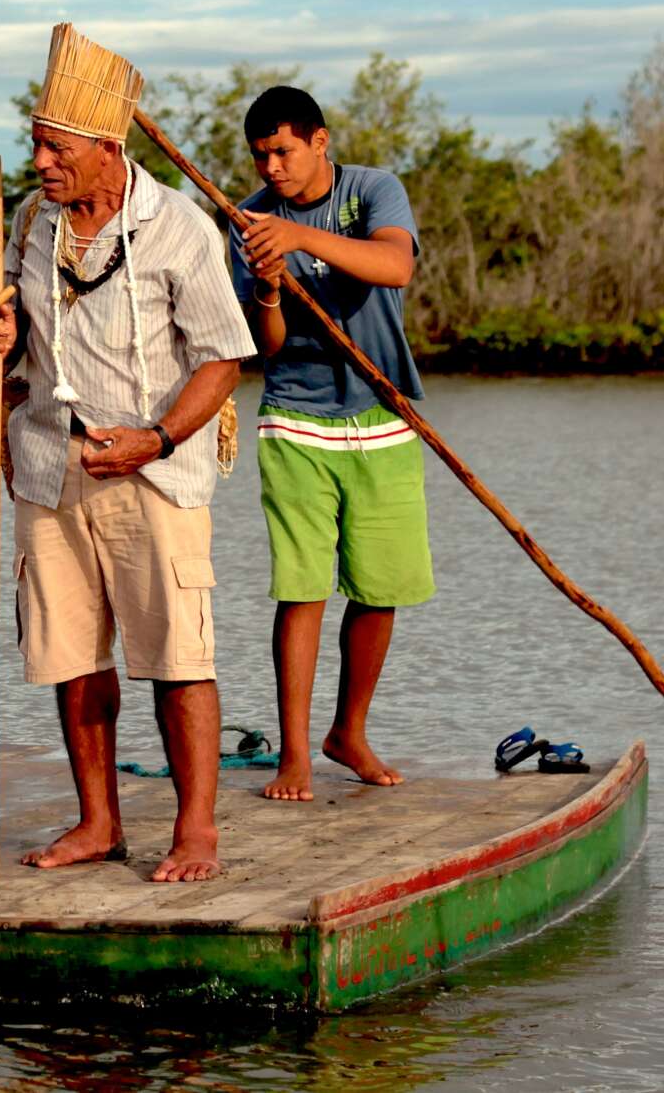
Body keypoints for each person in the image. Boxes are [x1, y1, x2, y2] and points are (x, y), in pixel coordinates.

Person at [0, 25, 254, 883]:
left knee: (177, 655)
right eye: (37, 146)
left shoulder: (179, 229)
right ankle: (98, 820)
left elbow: (222, 359)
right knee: (71, 653)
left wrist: (158, 437)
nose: (43, 162)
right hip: (50, 467)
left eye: (57, 149)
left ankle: (196, 830)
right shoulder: (31, 220)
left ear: (106, 147)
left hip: (154, 473)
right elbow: (16, 333)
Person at [231, 84, 430, 801]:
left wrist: (303, 238)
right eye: (261, 156)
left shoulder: (374, 189)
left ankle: (348, 730)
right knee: (303, 584)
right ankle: (295, 756)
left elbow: (394, 266)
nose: (273, 168)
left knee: (383, 585)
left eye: (284, 150)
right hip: (295, 414)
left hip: (381, 405)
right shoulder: (248, 220)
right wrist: (271, 289)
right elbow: (266, 344)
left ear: (320, 141)